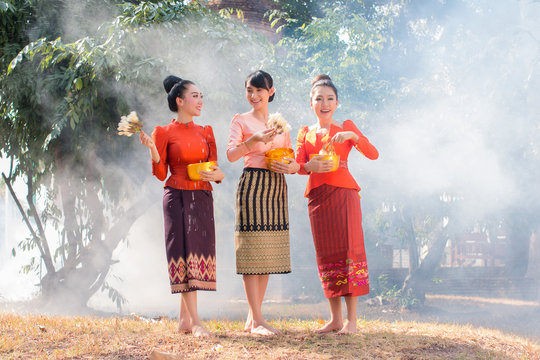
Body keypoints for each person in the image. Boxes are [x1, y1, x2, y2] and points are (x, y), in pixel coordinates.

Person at [139, 75, 225, 337]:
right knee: (183, 256)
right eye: (195, 96)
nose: (200, 100)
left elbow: (217, 169)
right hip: (176, 195)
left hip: (202, 197)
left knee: (196, 255)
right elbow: (159, 171)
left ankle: (183, 321)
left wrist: (216, 176)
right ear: (180, 100)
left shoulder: (206, 131)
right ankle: (196, 321)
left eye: (201, 96)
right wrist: (153, 149)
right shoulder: (163, 132)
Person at [295, 74, 379, 334]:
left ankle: (352, 321)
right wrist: (309, 165)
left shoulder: (346, 126)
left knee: (348, 253)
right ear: (311, 103)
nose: (324, 103)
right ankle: (335, 319)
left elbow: (373, 153)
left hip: (345, 196)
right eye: (319, 98)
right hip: (317, 199)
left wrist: (352, 135)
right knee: (326, 256)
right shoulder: (304, 133)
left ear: (337, 102)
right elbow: (298, 165)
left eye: (330, 98)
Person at [227, 70, 300, 336]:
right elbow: (232, 154)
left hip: (276, 186)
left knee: (267, 253)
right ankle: (257, 321)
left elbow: (289, 155)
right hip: (253, 184)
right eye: (249, 90)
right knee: (251, 252)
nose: (254, 95)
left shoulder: (280, 123)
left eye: (259, 90)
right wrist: (254, 141)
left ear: (271, 91)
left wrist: (291, 166)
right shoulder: (241, 120)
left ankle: (253, 319)